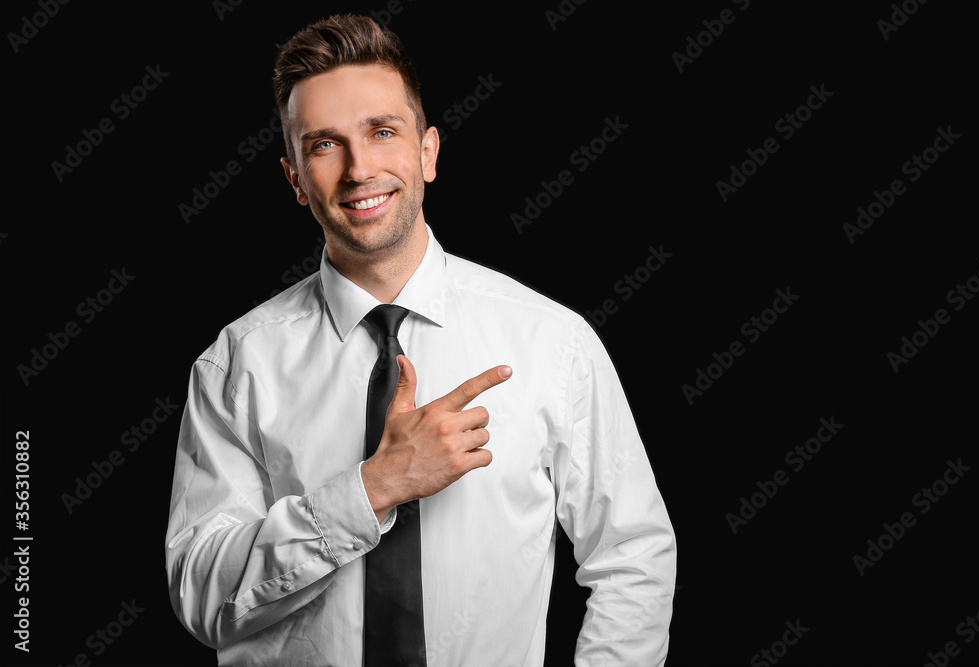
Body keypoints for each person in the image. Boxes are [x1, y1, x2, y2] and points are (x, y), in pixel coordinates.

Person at [165, 13, 676, 666]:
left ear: (427, 152)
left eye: (382, 131)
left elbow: (633, 553)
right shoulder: (238, 363)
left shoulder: (551, 342)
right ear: (294, 177)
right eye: (324, 144)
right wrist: (370, 490)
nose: (359, 168)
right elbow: (202, 594)